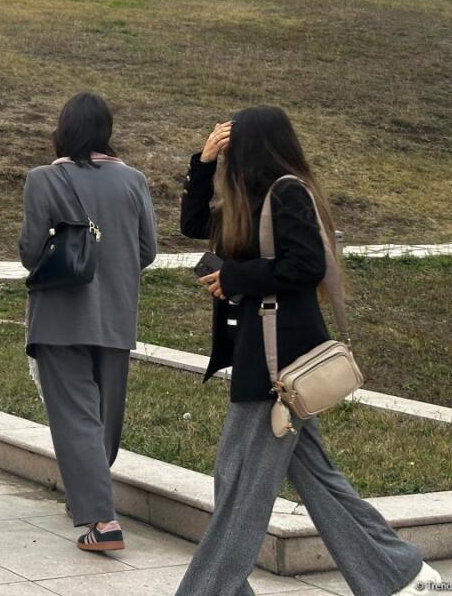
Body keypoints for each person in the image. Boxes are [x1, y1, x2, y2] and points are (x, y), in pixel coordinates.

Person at [174, 107, 437, 596]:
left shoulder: (287, 192)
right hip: (264, 353)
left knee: (238, 486)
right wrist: (203, 163)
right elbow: (192, 225)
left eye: (232, 146)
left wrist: (235, 278)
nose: (228, 153)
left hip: (279, 362)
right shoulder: (249, 201)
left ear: (255, 147)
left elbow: (306, 265)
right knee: (316, 481)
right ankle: (400, 574)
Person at [18, 93, 157, 553]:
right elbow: (148, 251)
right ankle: (91, 492)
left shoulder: (42, 179)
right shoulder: (133, 180)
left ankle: (101, 518)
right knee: (104, 417)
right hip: (116, 313)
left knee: (76, 415)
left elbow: (29, 252)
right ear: (106, 130)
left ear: (62, 130)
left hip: (60, 315)